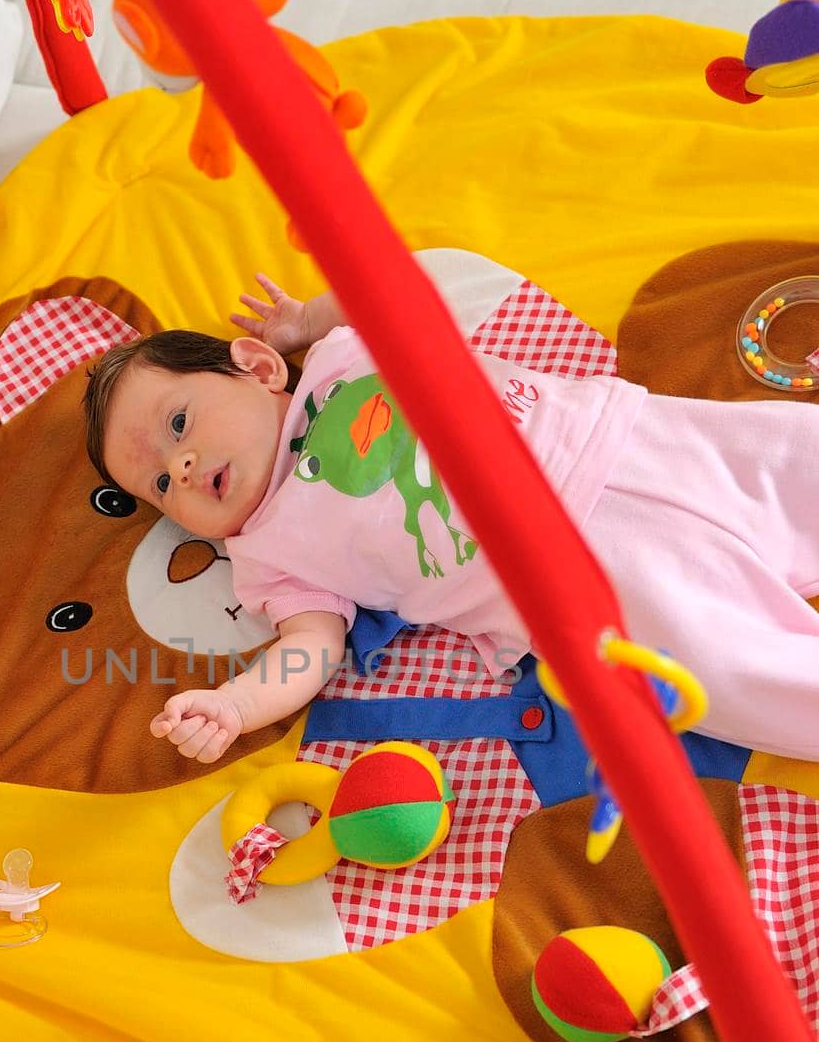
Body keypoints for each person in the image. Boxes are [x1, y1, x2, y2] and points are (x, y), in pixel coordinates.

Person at [84, 271, 819, 766]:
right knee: (727, 671)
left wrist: (306, 321)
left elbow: (395, 287)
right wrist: (236, 702)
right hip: (588, 584)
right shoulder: (270, 554)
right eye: (156, 484)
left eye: (179, 423)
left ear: (260, 368)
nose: (178, 468)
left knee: (793, 454)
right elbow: (310, 646)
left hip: (636, 442)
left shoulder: (343, 358)